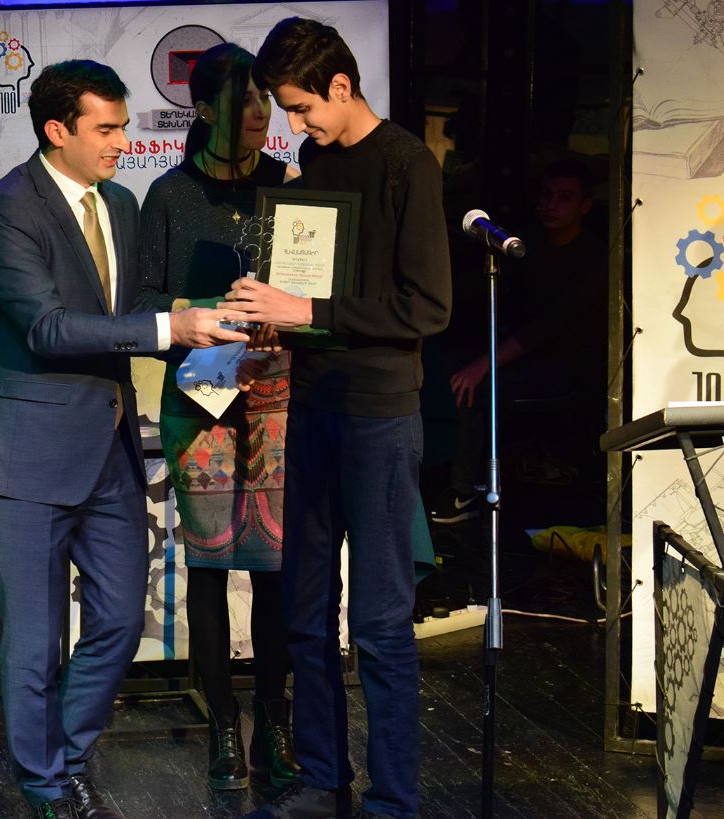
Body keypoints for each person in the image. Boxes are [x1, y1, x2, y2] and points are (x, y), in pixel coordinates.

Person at [0, 59, 248, 819]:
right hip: (29, 456)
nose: (123, 141)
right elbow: (48, 328)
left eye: (124, 126)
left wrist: (209, 322)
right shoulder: (6, 212)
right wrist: (170, 327)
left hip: (110, 448)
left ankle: (65, 756)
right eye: (107, 128)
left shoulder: (120, 203)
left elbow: (132, 311)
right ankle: (47, 787)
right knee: (34, 643)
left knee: (121, 621)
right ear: (57, 130)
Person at [224, 18, 452, 819]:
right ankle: (323, 776)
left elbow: (426, 306)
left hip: (379, 417)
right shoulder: (314, 164)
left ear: (341, 86)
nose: (292, 124)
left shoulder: (406, 165)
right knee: (304, 609)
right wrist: (274, 318)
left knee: (382, 620)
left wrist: (306, 308)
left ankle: (392, 799)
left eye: (299, 107)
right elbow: (316, 289)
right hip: (313, 404)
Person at [138, 42, 301, 792]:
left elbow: (313, 284)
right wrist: (205, 311)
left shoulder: (288, 185)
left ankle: (275, 718)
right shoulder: (169, 194)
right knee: (207, 565)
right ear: (203, 109)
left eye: (266, 99)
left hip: (274, 394)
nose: (261, 113)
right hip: (200, 393)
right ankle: (221, 727)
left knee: (274, 564)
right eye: (245, 100)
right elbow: (141, 301)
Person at [429, 157, 605, 524]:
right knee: (438, 367)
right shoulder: (531, 242)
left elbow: (544, 328)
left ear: (585, 206)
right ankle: (431, 475)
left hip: (565, 369)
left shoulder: (592, 258)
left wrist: (482, 365)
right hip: (521, 355)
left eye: (565, 197)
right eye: (547, 194)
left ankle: (462, 491)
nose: (551, 204)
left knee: (472, 384)